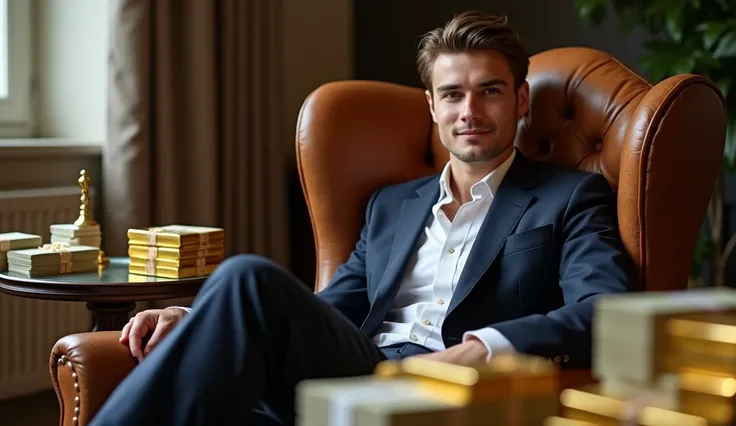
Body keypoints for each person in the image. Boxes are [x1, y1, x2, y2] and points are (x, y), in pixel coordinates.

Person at [90, 10, 637, 426]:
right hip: (365, 367)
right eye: (452, 95)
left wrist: (486, 344)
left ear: (520, 100)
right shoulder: (390, 206)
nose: (468, 112)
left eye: (488, 92)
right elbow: (328, 310)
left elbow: (604, 309)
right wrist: (203, 318)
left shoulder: (570, 196)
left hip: (454, 383)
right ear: (432, 106)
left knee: (246, 275)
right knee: (241, 297)